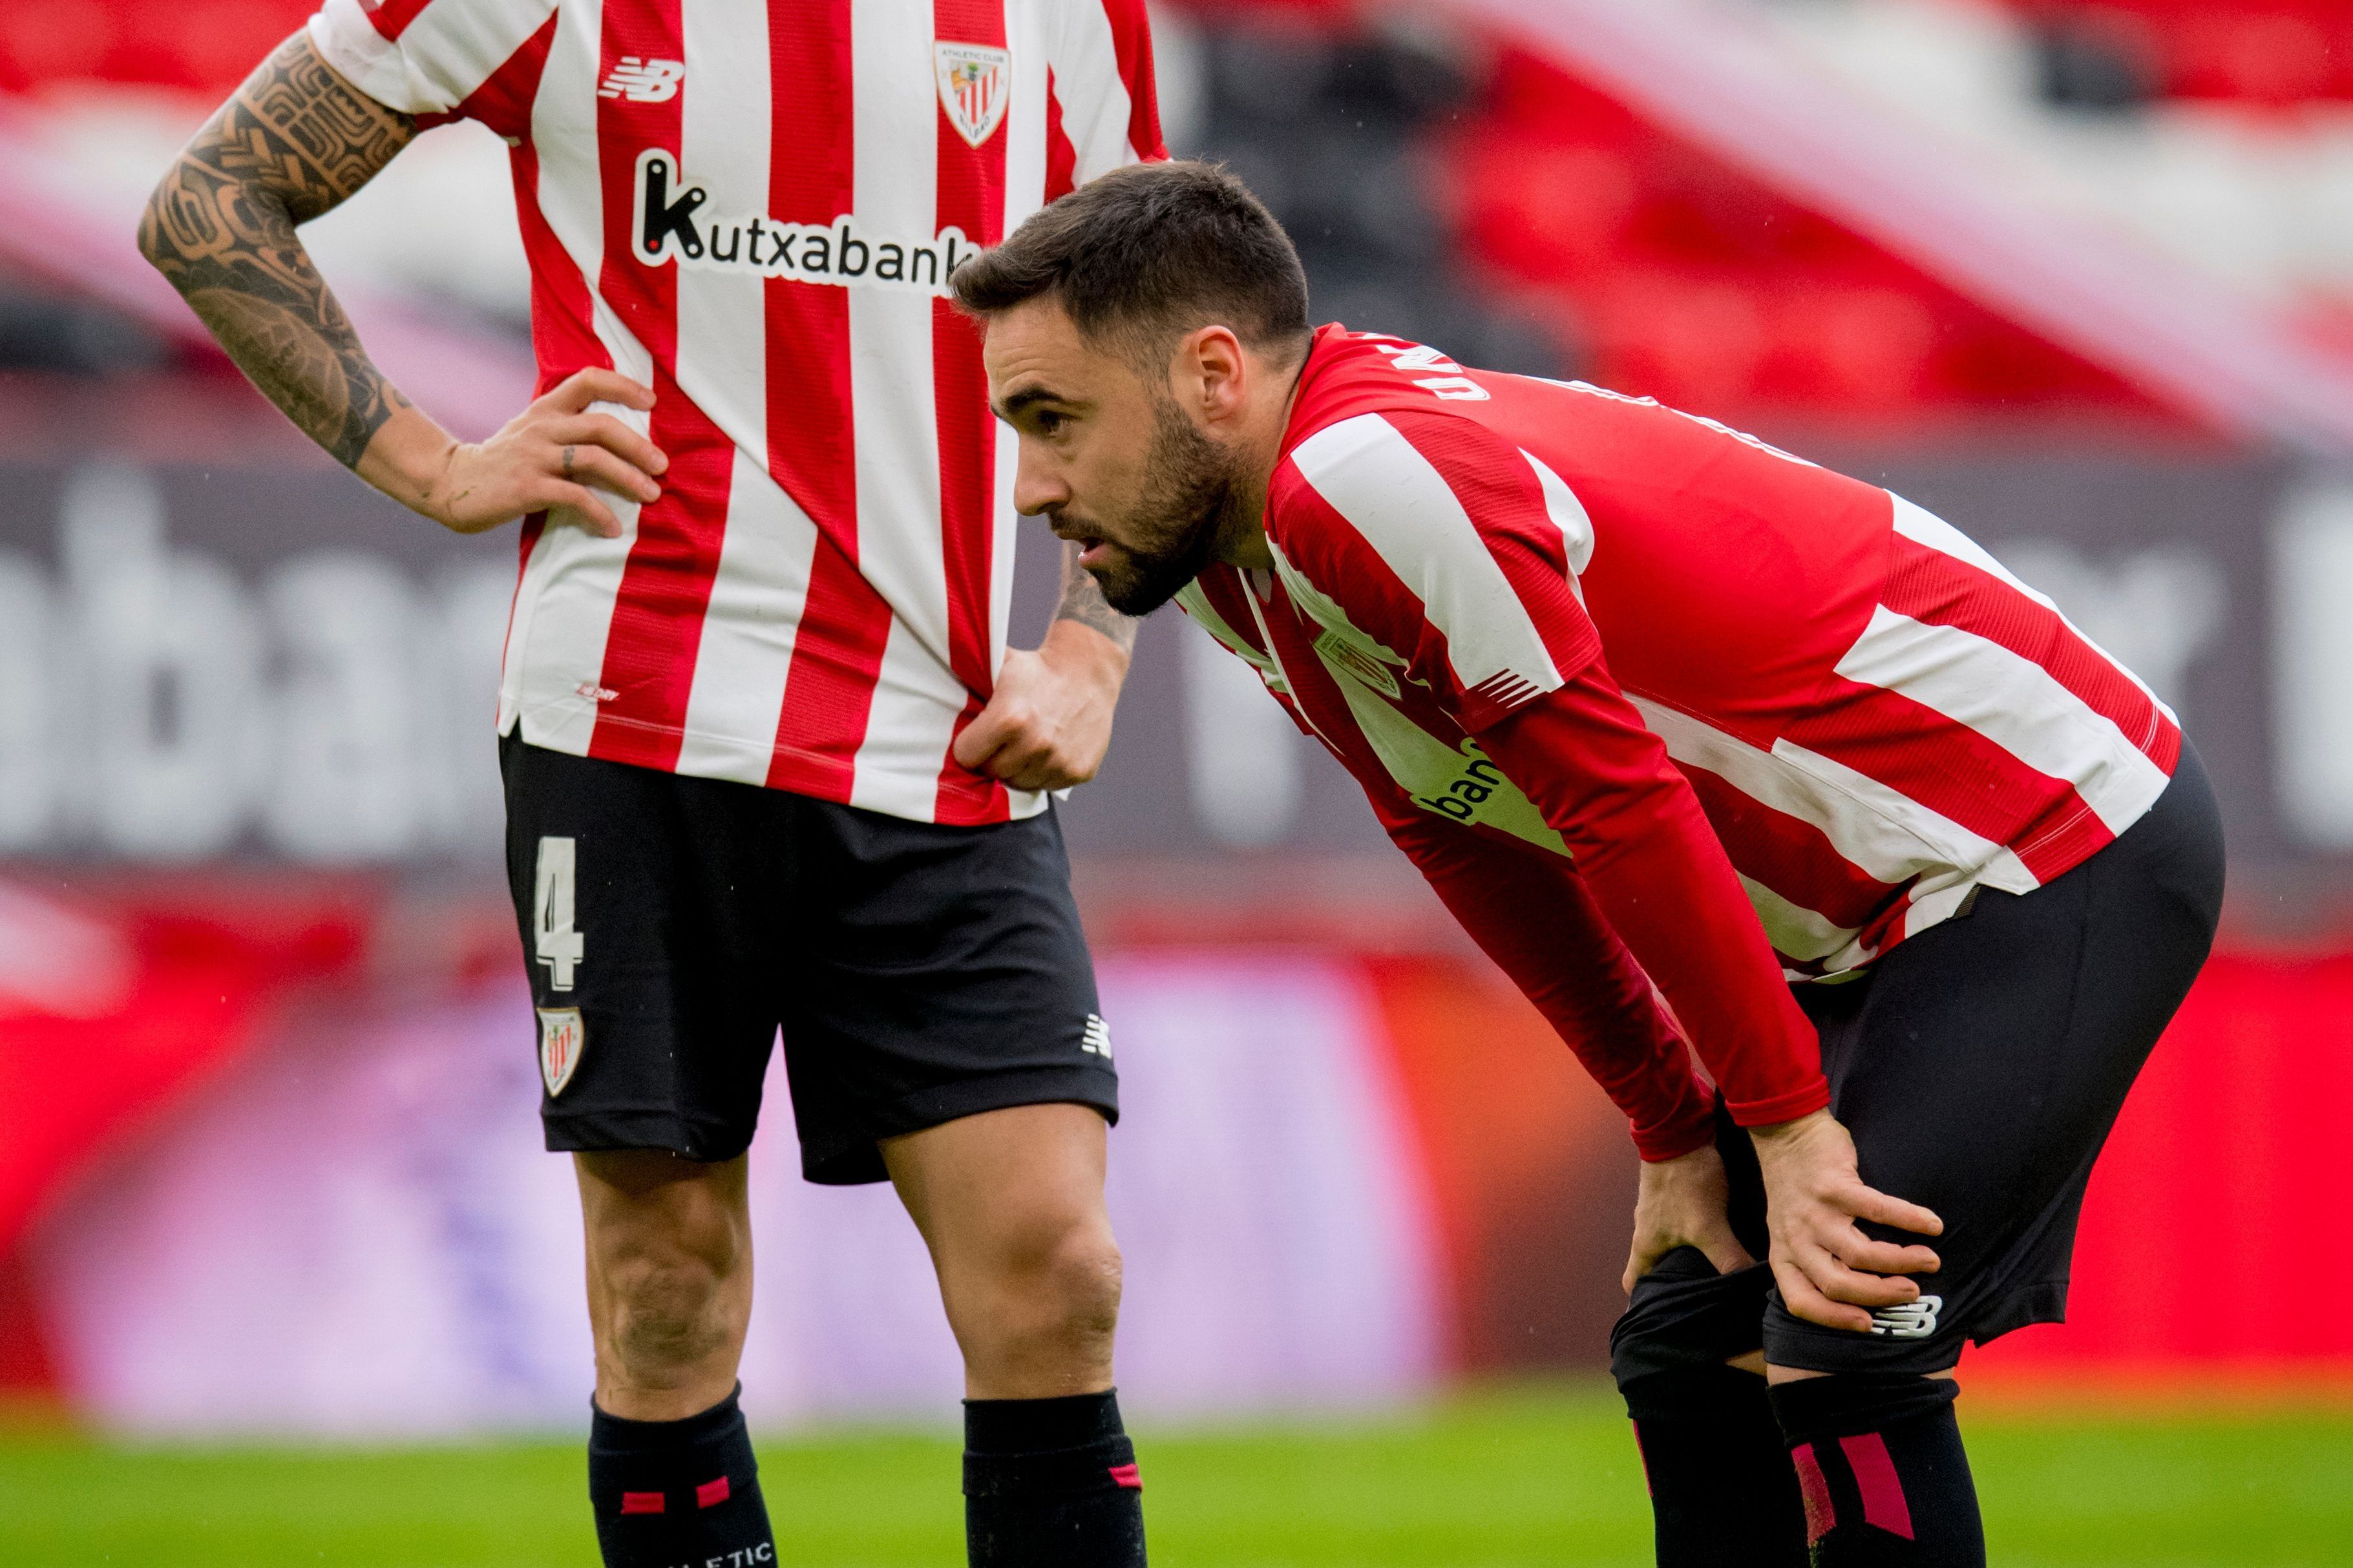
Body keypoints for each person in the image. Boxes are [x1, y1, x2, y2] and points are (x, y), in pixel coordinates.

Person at [951, 160, 2224, 1568]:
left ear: (1211, 376)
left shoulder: (1359, 481)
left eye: (1052, 420)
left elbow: (1617, 807)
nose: (1031, 487)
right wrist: (1677, 1123)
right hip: (1891, 914)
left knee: (1842, 1333)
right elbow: (1458, 826)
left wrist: (1790, 1127)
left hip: (2054, 839)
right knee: (1691, 1334)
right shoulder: (1238, 545)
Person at [138, 5, 1163, 1565]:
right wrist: (435, 464)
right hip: (636, 719)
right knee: (666, 1292)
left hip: (946, 735)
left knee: (1058, 1266)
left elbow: (1146, 326)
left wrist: (1093, 649)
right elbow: (208, 200)